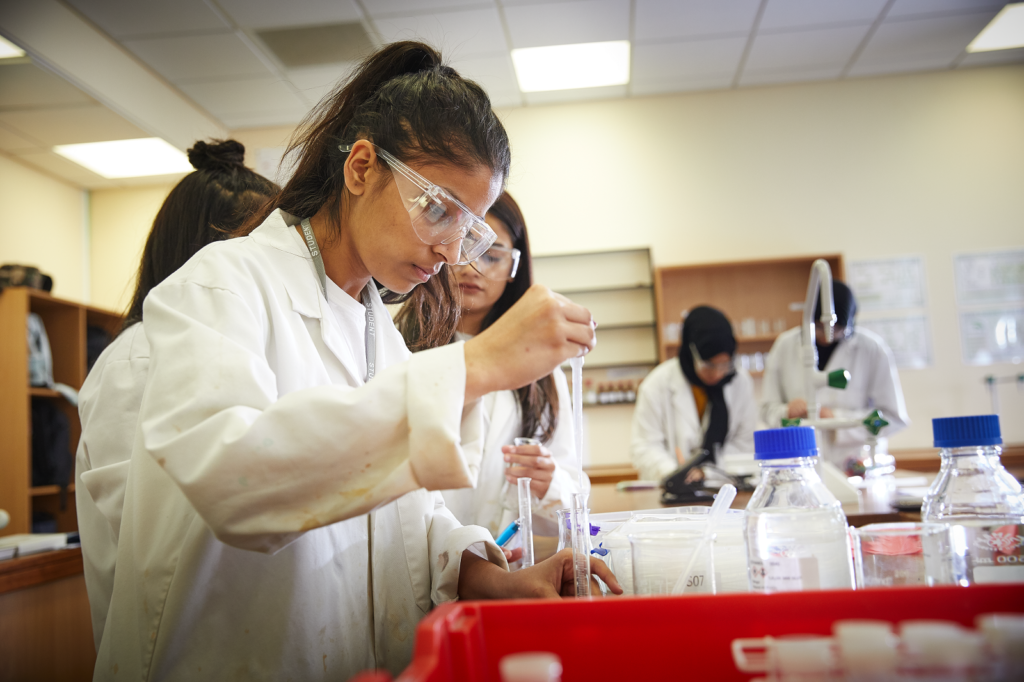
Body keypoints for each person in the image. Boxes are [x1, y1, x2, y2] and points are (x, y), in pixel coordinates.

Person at [95, 42, 617, 681]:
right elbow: (234, 481)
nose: (452, 253)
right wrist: (474, 367)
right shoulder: (221, 286)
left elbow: (402, 513)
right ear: (362, 167)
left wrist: (491, 578)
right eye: (438, 209)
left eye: (472, 230)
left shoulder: (379, 333)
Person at [75, 139, 279, 651]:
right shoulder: (138, 358)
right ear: (200, 255)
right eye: (254, 249)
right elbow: (153, 531)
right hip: (169, 645)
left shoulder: (236, 345)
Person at [400, 192, 587, 551]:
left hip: (509, 561)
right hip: (415, 562)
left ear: (514, 267)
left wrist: (548, 482)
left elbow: (569, 504)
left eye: (492, 254)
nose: (473, 267)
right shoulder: (397, 343)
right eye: (464, 244)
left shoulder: (543, 368)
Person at [759, 280, 909, 469]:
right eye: (819, 327)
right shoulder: (785, 345)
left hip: (856, 464)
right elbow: (766, 411)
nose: (827, 335)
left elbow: (892, 418)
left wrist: (836, 419)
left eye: (837, 329)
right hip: (801, 464)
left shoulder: (872, 349)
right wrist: (787, 412)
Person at [631, 306, 757, 481]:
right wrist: (675, 473)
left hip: (721, 486)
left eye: (724, 365)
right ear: (691, 352)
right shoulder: (656, 385)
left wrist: (707, 471)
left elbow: (744, 443)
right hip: (670, 489)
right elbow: (645, 446)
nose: (717, 373)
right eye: (709, 365)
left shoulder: (739, 382)